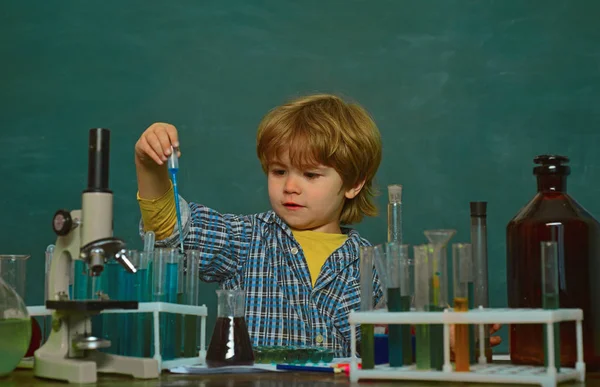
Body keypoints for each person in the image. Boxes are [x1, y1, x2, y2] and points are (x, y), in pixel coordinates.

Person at [134, 93, 384, 357]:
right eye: (279, 171)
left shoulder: (368, 264)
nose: (290, 187)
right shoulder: (246, 240)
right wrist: (149, 166)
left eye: (310, 175)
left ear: (354, 184)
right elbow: (171, 229)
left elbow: (375, 354)